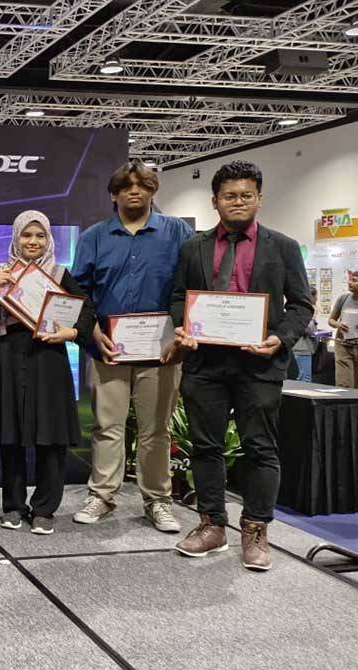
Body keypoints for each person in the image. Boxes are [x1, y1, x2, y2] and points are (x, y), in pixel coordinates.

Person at [172, 160, 312, 571]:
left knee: (260, 448)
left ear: (259, 199)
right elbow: (179, 295)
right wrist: (183, 326)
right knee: (206, 445)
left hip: (259, 364)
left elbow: (301, 304)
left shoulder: (282, 247)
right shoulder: (192, 246)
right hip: (205, 363)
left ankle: (255, 530)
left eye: (246, 195)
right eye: (230, 195)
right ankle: (212, 525)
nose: (238, 202)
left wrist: (280, 338)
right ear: (215, 201)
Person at [70, 160, 193, 532]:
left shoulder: (178, 233)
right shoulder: (94, 236)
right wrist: (93, 336)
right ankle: (101, 496)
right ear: (114, 194)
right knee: (108, 426)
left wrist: (183, 332)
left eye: (142, 185)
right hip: (110, 348)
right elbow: (80, 294)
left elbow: (190, 288)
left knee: (157, 430)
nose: (134, 191)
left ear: (153, 190)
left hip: (162, 350)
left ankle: (157, 501)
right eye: (126, 187)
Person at [0, 210, 95, 534]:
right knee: (10, 436)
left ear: (48, 240)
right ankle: (13, 506)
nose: (33, 241)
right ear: (16, 238)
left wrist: (69, 334)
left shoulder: (59, 274)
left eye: (40, 235)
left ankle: (44, 508)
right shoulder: (0, 271)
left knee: (51, 437)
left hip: (49, 360)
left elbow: (86, 315)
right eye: (27, 235)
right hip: (7, 359)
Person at [328, 273, 358, 388]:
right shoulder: (343, 298)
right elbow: (331, 320)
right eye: (350, 280)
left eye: (354, 280)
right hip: (343, 346)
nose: (350, 283)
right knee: (343, 385)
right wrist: (338, 325)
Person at [291, 286, 318, 382]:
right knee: (304, 380)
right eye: (316, 296)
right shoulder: (304, 311)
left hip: (301, 350)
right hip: (302, 351)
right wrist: (313, 318)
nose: (317, 299)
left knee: (301, 379)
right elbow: (308, 330)